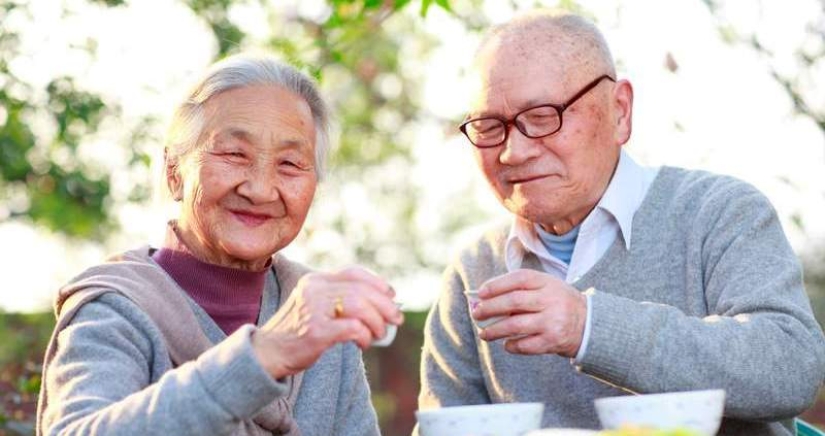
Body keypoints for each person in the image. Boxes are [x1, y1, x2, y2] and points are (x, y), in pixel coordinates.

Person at [417, 9, 825, 435]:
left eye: (541, 117)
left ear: (620, 110)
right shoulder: (475, 267)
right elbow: (445, 425)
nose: (513, 152)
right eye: (488, 126)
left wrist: (587, 325)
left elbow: (791, 368)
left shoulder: (719, 212)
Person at [37, 53, 403, 436]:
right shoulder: (116, 308)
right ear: (174, 172)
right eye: (233, 154)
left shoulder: (321, 315)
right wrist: (267, 353)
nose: (260, 189)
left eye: (290, 164)